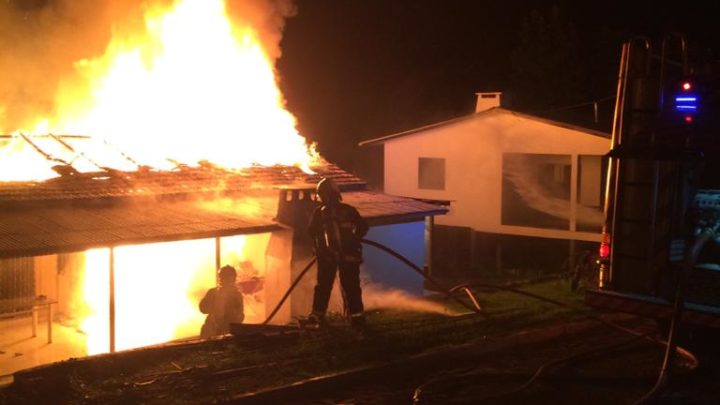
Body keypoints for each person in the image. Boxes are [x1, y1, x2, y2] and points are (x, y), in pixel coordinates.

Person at [307, 177, 369, 329]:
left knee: (323, 286)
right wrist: (353, 239)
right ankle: (357, 317)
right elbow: (363, 228)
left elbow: (310, 232)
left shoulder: (319, 213)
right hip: (349, 256)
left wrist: (320, 245)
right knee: (351, 286)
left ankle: (317, 317)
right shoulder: (349, 210)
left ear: (321, 195)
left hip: (327, 256)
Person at [199, 265, 245, 338]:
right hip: (212, 333)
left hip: (225, 333)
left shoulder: (236, 295)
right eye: (223, 277)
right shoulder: (213, 292)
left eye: (227, 278)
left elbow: (240, 317)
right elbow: (203, 309)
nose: (224, 280)